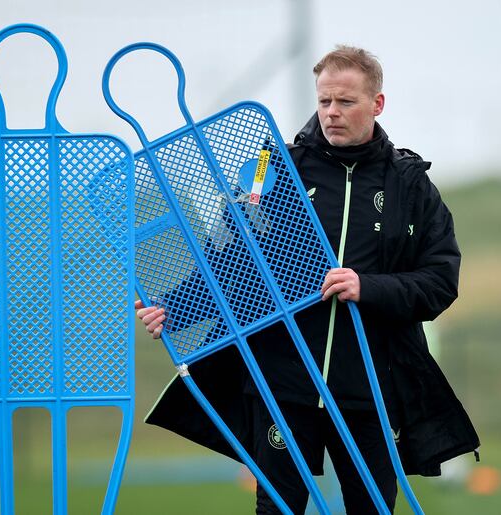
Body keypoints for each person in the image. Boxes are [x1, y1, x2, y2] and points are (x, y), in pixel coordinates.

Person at [136, 45, 479, 514]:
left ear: (377, 104)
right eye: (324, 101)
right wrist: (176, 309)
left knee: (373, 507)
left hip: (371, 387)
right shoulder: (272, 165)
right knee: (277, 508)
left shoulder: (411, 185)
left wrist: (368, 287)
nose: (332, 113)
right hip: (282, 380)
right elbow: (234, 260)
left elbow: (440, 281)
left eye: (346, 102)